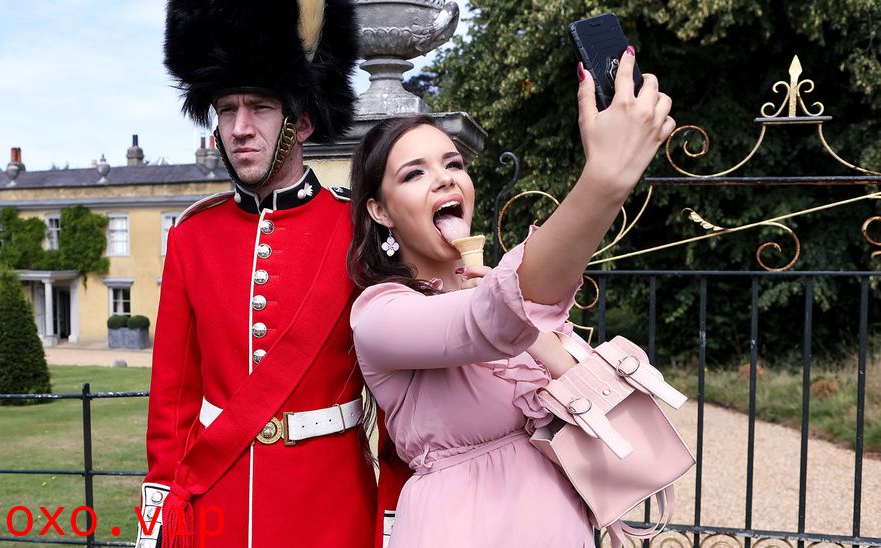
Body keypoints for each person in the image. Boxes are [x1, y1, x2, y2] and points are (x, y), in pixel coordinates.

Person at [347, 48, 675, 547]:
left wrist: (537, 337)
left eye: (452, 163)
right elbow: (483, 323)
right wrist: (604, 180)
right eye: (413, 174)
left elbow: (598, 403)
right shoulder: (381, 314)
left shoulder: (505, 291)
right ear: (381, 211)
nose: (444, 178)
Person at [137, 2, 409, 547]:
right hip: (218, 500)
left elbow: (395, 398)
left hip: (331, 506)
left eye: (259, 107)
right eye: (227, 108)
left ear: (301, 120)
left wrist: (393, 516)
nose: (239, 128)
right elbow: (172, 403)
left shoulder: (358, 228)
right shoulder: (192, 236)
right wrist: (158, 519)